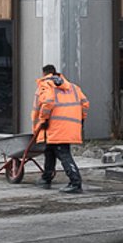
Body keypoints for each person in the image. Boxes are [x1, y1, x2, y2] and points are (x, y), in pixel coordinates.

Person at [30, 63, 87, 192]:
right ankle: (46, 177)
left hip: (55, 126)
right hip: (69, 126)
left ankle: (75, 183)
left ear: (44, 73)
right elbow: (85, 103)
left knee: (63, 154)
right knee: (50, 150)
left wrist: (43, 120)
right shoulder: (73, 87)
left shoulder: (46, 85)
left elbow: (48, 102)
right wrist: (81, 119)